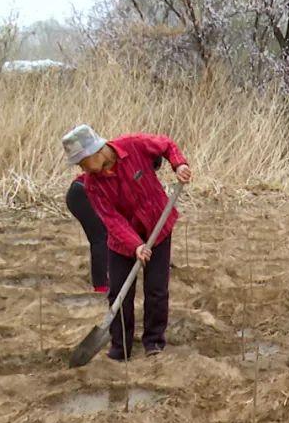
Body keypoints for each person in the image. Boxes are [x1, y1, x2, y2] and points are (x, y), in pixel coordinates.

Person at [61, 124, 192, 361]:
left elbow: (166, 144)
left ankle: (154, 342)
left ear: (95, 151)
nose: (82, 168)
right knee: (119, 294)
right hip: (122, 241)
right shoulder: (92, 184)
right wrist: (135, 245)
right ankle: (120, 348)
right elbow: (111, 219)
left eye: (82, 162)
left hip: (157, 226)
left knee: (156, 289)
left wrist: (179, 164)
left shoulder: (133, 145)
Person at [66, 155, 162, 294]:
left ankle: (106, 279)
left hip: (83, 193)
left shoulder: (133, 168)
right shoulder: (130, 167)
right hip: (82, 195)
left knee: (108, 234)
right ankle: (101, 287)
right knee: (100, 237)